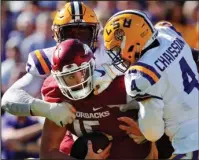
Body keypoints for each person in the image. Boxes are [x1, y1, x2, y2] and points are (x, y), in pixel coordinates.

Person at [95, 10, 199, 159]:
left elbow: (153, 132)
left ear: (131, 43)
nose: (117, 55)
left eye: (117, 49)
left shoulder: (140, 74)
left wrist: (142, 130)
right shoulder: (166, 31)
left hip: (190, 142)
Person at [1, 1, 118, 129]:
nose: (76, 40)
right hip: (71, 125)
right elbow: (8, 100)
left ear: (96, 32)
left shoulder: (114, 53)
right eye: (69, 34)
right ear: (57, 35)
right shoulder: (48, 59)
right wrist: (48, 109)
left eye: (83, 32)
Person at [40, 39, 158, 159]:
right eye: (69, 77)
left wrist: (148, 131)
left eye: (82, 72)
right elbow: (47, 152)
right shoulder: (57, 94)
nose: (77, 81)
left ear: (92, 66)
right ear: (57, 78)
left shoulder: (119, 87)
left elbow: (168, 112)